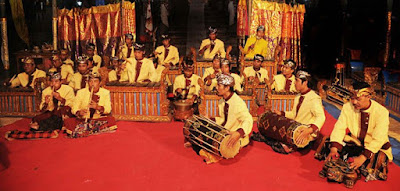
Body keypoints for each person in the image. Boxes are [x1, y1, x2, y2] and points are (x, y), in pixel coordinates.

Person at [326, 81, 392, 181]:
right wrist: (334, 148)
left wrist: (362, 157)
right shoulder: (347, 107)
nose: (354, 102)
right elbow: (339, 127)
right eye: (352, 98)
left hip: (374, 148)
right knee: (330, 143)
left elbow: (379, 138)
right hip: (356, 143)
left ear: (369, 96)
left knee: (376, 161)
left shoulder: (381, 112)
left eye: (358, 99)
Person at [185, 74, 253, 164]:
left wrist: (238, 133)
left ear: (227, 88)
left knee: (204, 138)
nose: (216, 87)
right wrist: (210, 119)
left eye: (219, 85)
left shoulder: (238, 103)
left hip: (233, 136)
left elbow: (248, 119)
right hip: (223, 131)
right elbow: (222, 119)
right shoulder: (222, 101)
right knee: (201, 125)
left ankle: (202, 148)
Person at [270, 70, 325, 154]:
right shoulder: (298, 96)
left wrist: (309, 130)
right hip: (296, 128)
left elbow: (321, 117)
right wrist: (282, 113)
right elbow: (294, 115)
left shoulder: (314, 98)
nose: (294, 83)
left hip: (305, 131)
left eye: (297, 81)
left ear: (305, 82)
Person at [64, 71, 117, 136]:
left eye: (95, 81)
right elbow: (74, 107)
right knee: (69, 121)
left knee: (111, 120)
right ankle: (93, 129)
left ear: (100, 83)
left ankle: (83, 130)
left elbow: (108, 109)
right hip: (83, 119)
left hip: (97, 119)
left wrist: (98, 107)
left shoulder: (105, 92)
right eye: (90, 81)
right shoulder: (81, 92)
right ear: (88, 83)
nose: (92, 84)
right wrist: (79, 112)